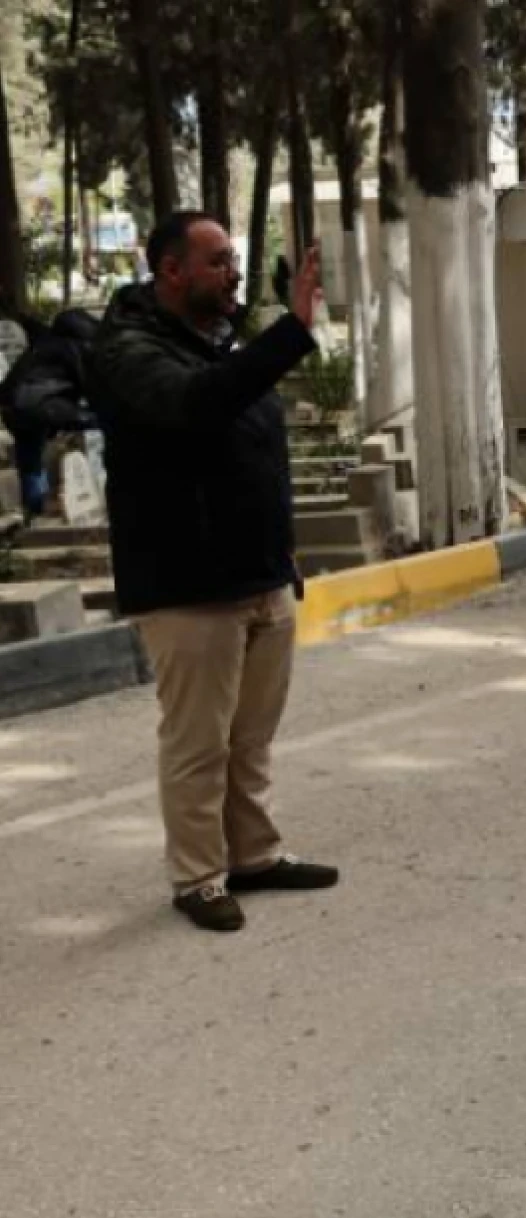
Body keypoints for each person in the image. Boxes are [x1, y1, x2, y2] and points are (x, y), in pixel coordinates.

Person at [86, 212, 339, 933]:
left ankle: (254, 854)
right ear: (172, 271)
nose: (234, 273)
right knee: (199, 743)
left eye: (233, 260)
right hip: (188, 587)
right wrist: (289, 330)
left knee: (251, 737)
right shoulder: (128, 350)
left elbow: (255, 453)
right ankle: (198, 876)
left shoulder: (216, 342)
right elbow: (197, 409)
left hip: (258, 575)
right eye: (220, 261)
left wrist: (281, 553)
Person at [0, 308, 101, 519]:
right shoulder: (75, 347)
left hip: (13, 406)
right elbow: (90, 384)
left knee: (31, 463)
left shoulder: (44, 342)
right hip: (42, 405)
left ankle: (35, 511)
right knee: (101, 421)